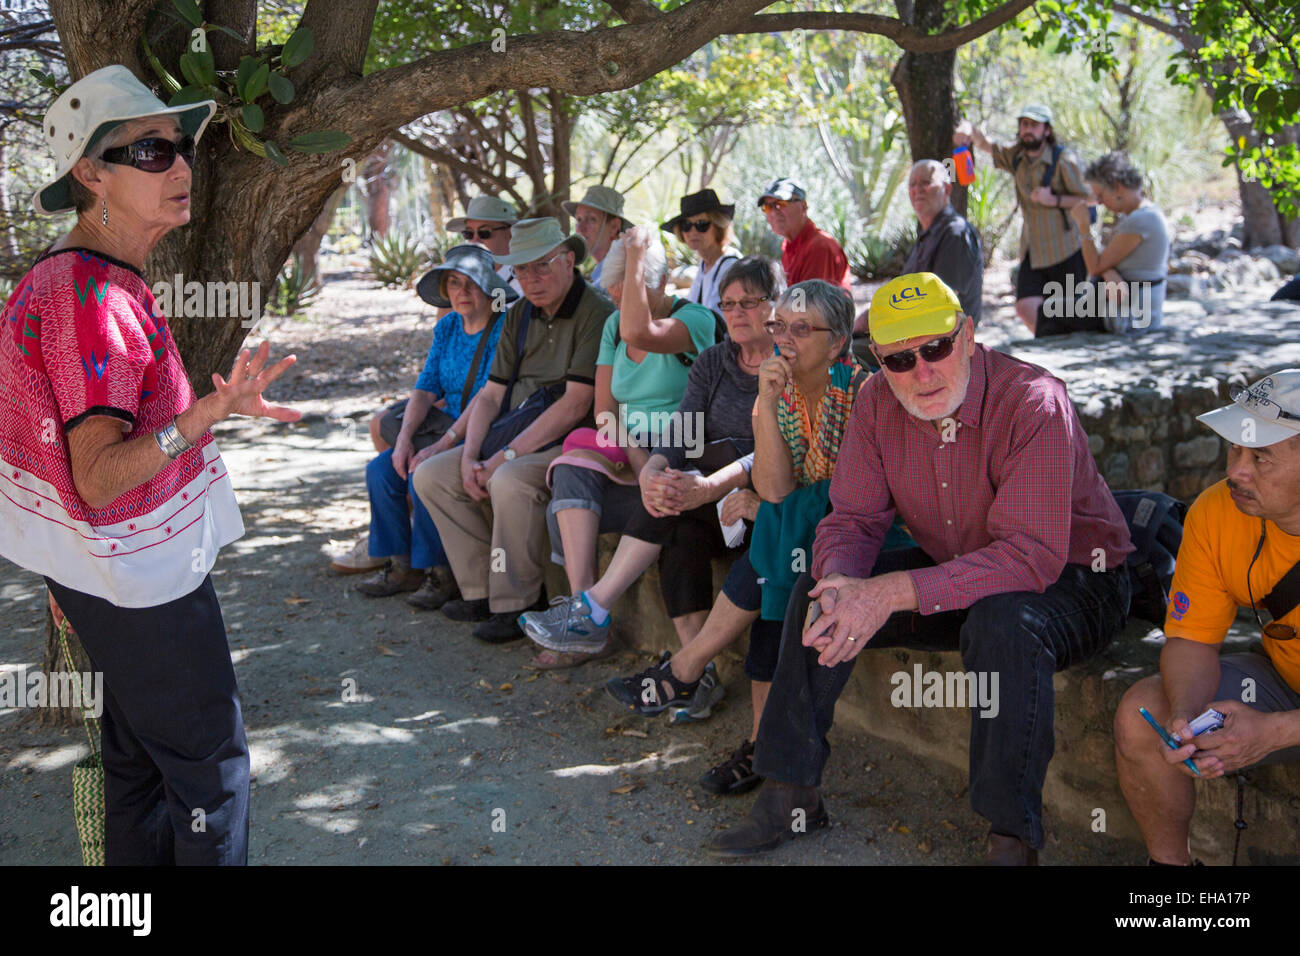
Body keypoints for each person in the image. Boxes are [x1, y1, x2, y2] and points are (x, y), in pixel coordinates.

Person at [706, 272, 1134, 864]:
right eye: (901, 359)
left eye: (936, 347)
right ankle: (791, 793)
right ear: (878, 359)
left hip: (1075, 579)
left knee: (1002, 624)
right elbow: (852, 519)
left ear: (967, 336)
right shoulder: (878, 400)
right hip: (958, 566)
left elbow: (1028, 555)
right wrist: (843, 586)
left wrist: (887, 593)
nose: (922, 371)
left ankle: (1011, 840)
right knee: (817, 586)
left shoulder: (1032, 400)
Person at [0, 65, 300, 864]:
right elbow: (97, 478)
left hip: (104, 574)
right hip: (136, 577)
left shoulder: (86, 280)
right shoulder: (89, 296)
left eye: (180, 149)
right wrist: (205, 416)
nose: (179, 167)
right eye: (149, 151)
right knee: (212, 773)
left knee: (136, 765)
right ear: (89, 174)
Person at [606, 281, 867, 798]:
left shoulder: (862, 393)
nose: (784, 341)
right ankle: (754, 742)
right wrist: (765, 407)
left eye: (800, 329)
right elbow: (773, 484)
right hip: (799, 530)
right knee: (773, 542)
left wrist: (772, 507)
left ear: (838, 344)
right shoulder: (781, 392)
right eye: (781, 329)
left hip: (861, 528)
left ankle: (690, 671)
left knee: (777, 537)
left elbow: (849, 497)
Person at [519, 258, 780, 667]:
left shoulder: (786, 365)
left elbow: (772, 452)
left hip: (762, 500)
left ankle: (594, 611)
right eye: (728, 304)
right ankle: (698, 670)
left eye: (749, 302)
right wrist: (656, 467)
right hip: (708, 497)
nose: (736, 313)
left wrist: (708, 486)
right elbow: (683, 431)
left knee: (673, 502)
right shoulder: (715, 362)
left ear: (775, 306)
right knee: (673, 520)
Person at [1114, 370, 1300, 866]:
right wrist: (1185, 717)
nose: (1237, 470)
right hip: (1285, 681)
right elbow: (1192, 640)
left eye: (1260, 457)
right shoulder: (1217, 511)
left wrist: (1278, 730)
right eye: (1234, 448)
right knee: (1141, 717)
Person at [411, 218, 612, 643]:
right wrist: (467, 454)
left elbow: (575, 403)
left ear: (569, 259)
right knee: (431, 475)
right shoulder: (519, 313)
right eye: (521, 270)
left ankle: (517, 601)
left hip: (571, 437)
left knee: (509, 480)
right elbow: (490, 394)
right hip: (516, 427)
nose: (531, 279)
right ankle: (481, 589)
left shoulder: (596, 311)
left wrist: (504, 456)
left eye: (541, 266)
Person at [540, 227, 719, 665]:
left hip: (684, 447)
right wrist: (639, 461)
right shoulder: (612, 326)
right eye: (614, 295)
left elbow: (641, 332)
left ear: (657, 283)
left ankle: (587, 618)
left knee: (664, 501)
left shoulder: (696, 320)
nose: (618, 304)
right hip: (631, 452)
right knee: (571, 470)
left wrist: (637, 254)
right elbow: (605, 411)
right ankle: (584, 620)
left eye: (628, 292)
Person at [354, 244, 512, 608]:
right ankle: (401, 564)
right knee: (381, 470)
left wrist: (439, 447)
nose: (462, 292)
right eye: (454, 283)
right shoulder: (448, 328)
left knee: (423, 473)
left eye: (471, 283)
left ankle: (442, 572)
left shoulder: (504, 329)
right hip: (441, 427)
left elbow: (488, 396)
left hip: (481, 430)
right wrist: (405, 439)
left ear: (489, 286)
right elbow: (425, 389)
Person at [953, 104, 1090, 337]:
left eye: (1034, 125)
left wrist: (1054, 199)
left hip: (1065, 249)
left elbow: (1090, 198)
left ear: (1047, 130)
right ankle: (1052, 342)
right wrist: (967, 129)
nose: (1028, 130)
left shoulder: (1064, 160)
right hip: (1033, 251)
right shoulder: (1016, 157)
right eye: (1024, 124)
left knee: (1074, 312)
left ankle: (1066, 347)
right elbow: (987, 145)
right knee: (1025, 306)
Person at [852, 160, 983, 351]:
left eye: (926, 183)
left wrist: (873, 319)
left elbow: (941, 303)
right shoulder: (928, 235)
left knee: (856, 351)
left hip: (942, 344)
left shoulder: (955, 233)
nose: (917, 190)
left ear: (947, 189)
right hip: (916, 334)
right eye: (912, 184)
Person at [1064, 151, 1170, 334]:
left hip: (1130, 315)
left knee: (1049, 311)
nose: (1100, 202)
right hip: (1129, 307)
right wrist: (1109, 271)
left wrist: (1083, 226)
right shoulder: (1143, 215)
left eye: (1100, 195)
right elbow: (1103, 264)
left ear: (1118, 187)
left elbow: (1094, 266)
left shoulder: (1141, 220)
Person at [758, 177, 850, 292]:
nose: (773, 212)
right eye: (767, 207)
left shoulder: (819, 248)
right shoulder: (790, 246)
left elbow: (809, 306)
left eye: (780, 204)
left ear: (803, 206)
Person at [661, 189, 741, 312]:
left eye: (701, 224)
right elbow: (692, 305)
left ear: (719, 226)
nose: (692, 232)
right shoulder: (705, 264)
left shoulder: (730, 267)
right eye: (686, 225)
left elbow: (718, 319)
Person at [446, 194, 522, 295]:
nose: (475, 240)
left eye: (484, 232)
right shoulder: (464, 277)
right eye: (469, 233)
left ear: (510, 233)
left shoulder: (524, 279)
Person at [562, 185, 632, 286]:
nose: (580, 228)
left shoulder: (621, 274)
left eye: (591, 219)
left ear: (614, 226)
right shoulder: (603, 271)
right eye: (579, 219)